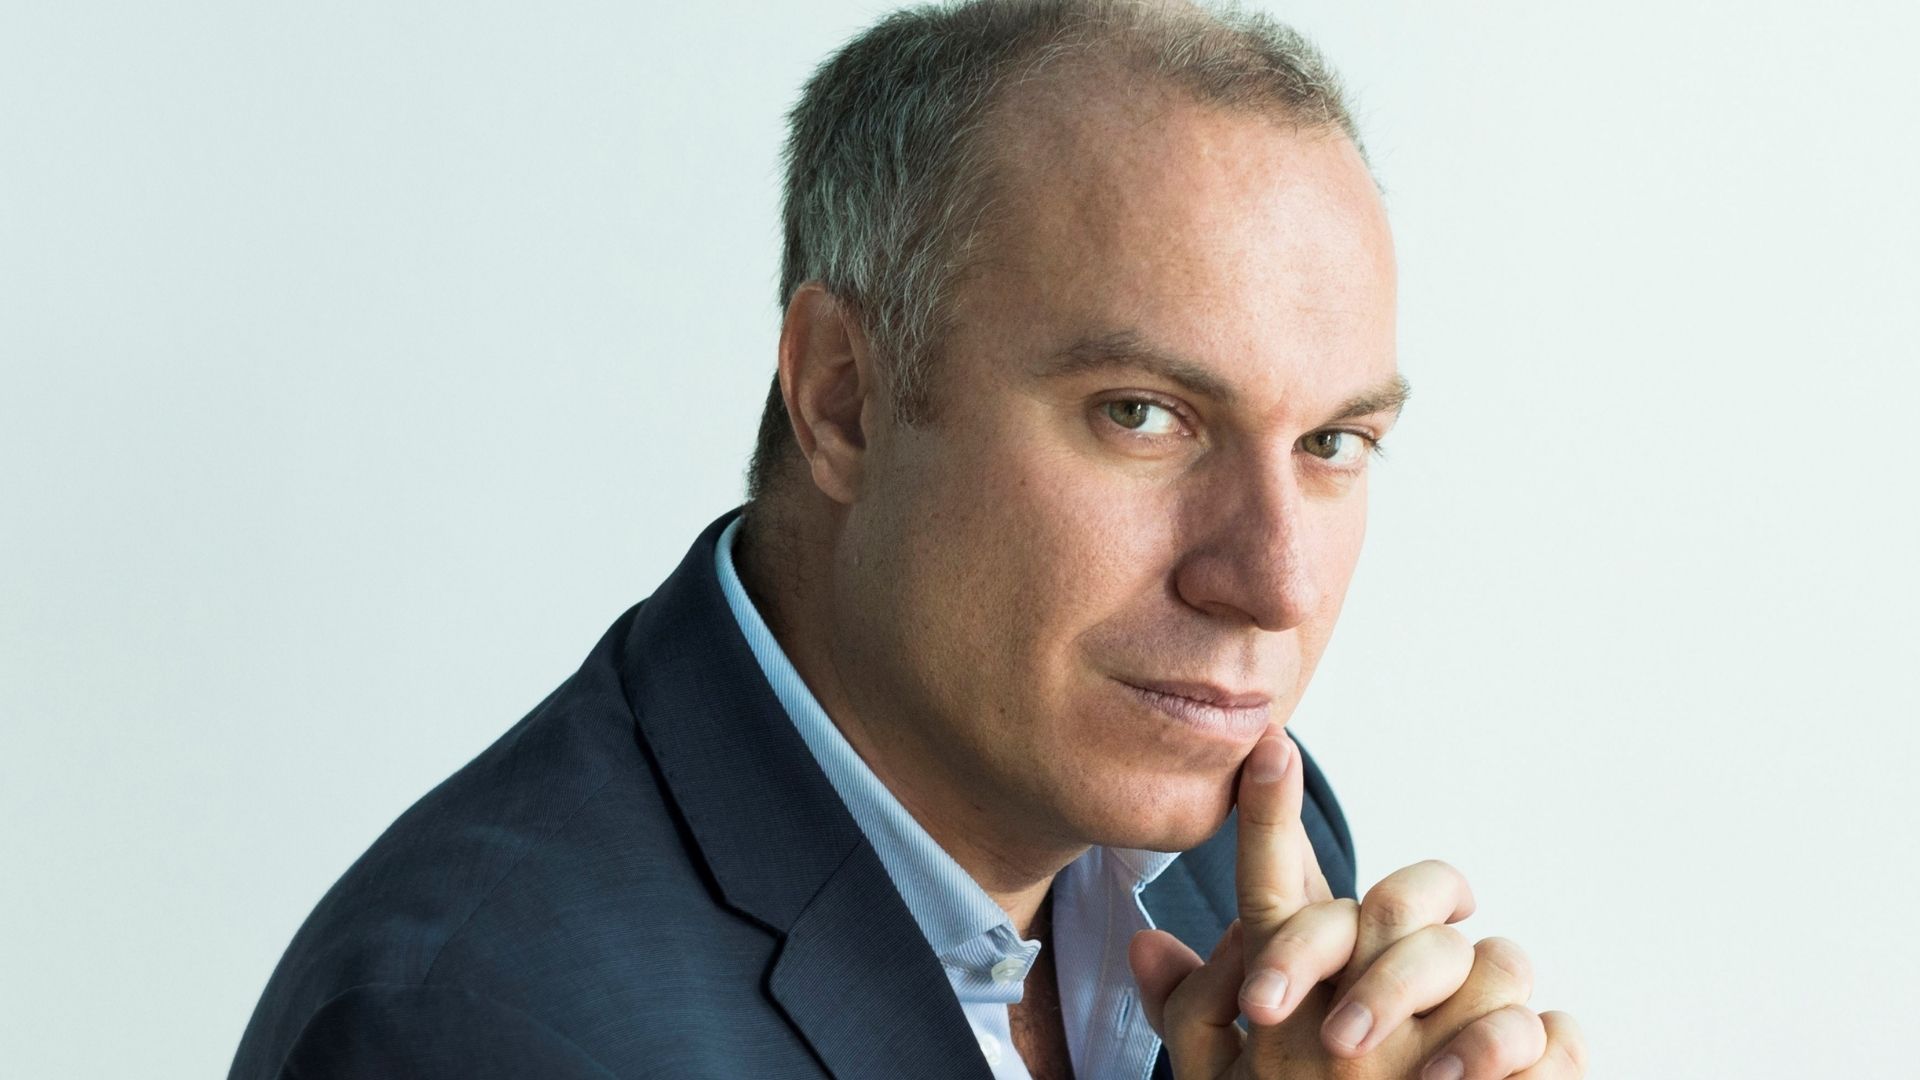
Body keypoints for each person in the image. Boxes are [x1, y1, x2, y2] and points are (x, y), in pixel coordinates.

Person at [229, 2, 1586, 1077]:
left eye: (1334, 442)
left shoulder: (1247, 846)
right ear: (843, 399)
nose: (1273, 583)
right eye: (1142, 415)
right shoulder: (478, 1029)